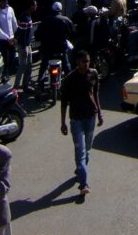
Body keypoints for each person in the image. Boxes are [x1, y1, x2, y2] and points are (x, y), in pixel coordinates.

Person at [60, 50, 103, 197]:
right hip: (76, 120)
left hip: (91, 118)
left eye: (88, 61)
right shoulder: (69, 79)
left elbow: (95, 93)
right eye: (84, 61)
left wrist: (100, 113)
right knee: (80, 152)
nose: (86, 64)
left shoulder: (93, 74)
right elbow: (64, 102)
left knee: (87, 149)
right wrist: (63, 122)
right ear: (77, 63)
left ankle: (80, 169)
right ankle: (83, 184)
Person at [35, 1, 74, 86]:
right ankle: (72, 86)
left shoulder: (44, 20)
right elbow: (72, 33)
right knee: (67, 67)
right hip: (61, 49)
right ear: (60, 10)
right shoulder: (66, 20)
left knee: (43, 67)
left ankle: (40, 88)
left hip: (47, 50)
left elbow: (37, 35)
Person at [14, 0, 36, 92]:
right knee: (22, 66)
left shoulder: (28, 16)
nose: (36, 7)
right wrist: (25, 47)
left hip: (27, 45)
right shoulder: (25, 18)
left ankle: (25, 86)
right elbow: (22, 35)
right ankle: (15, 87)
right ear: (31, 6)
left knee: (29, 65)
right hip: (24, 46)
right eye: (35, 5)